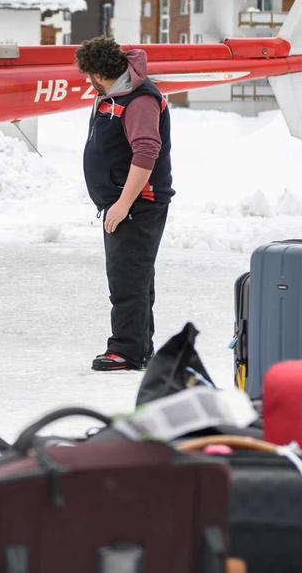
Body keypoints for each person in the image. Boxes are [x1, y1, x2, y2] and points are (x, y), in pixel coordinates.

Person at [75, 37, 174, 372]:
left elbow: (147, 152)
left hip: (137, 203)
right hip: (125, 201)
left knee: (127, 277)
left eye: (88, 74)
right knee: (136, 275)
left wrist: (122, 203)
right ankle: (140, 347)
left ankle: (126, 351)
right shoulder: (115, 94)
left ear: (98, 72)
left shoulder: (139, 99)